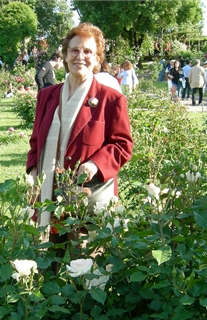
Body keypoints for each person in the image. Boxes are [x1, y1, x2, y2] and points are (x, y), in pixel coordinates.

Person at [26, 22, 133, 232]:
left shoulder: (110, 99)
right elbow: (36, 142)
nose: (80, 56)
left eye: (88, 51)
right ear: (65, 55)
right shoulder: (46, 96)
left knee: (85, 261)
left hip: (87, 198)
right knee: (46, 259)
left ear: (96, 59)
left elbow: (122, 145)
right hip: (47, 196)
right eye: (74, 50)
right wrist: (32, 173)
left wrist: (95, 164)